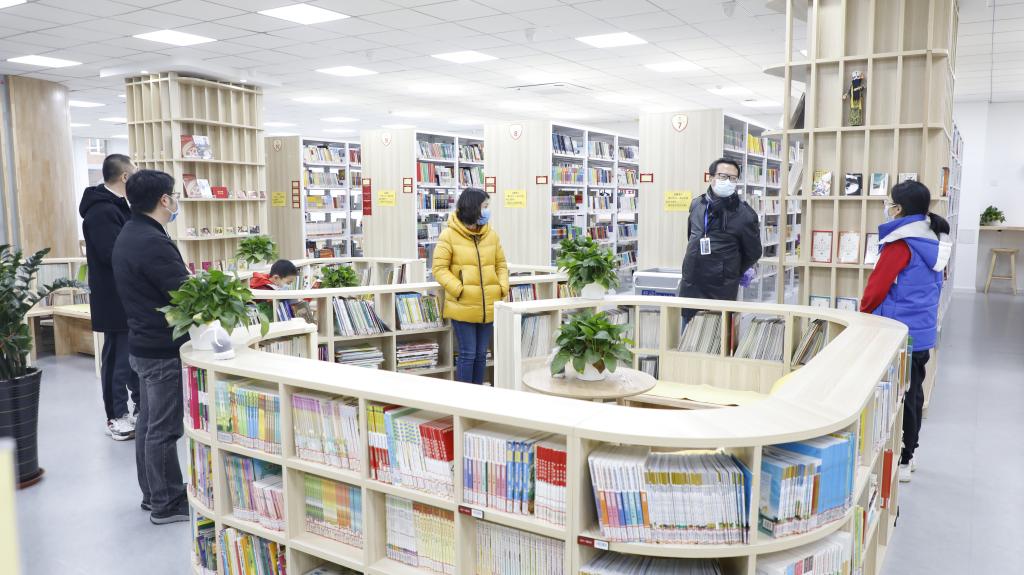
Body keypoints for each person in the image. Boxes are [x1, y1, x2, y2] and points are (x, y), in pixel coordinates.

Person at [112, 169, 192, 524]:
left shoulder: (130, 232)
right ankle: (166, 502)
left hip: (142, 343)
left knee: (148, 424)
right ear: (164, 199)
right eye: (173, 195)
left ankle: (154, 493)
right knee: (164, 428)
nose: (175, 201)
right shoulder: (152, 241)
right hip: (161, 347)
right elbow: (183, 293)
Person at [860, 180, 951, 484]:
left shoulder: (901, 243)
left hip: (898, 331)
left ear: (898, 209)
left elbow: (877, 287)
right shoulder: (933, 238)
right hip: (922, 331)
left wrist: (863, 313)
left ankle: (901, 458)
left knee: (898, 397)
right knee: (913, 394)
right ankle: (909, 455)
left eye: (890, 203)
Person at [79, 153, 139, 441]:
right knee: (117, 359)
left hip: (129, 295)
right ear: (125, 176)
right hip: (113, 297)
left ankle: (139, 409)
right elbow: (112, 254)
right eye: (134, 174)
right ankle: (116, 416)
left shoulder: (121, 206)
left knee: (133, 358)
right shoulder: (101, 211)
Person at [432, 188, 509, 384]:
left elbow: (501, 265)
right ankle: (464, 398)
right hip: (463, 305)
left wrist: (502, 287)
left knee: (482, 354)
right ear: (473, 207)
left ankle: (479, 396)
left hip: (488, 304)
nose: (487, 211)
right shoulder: (449, 235)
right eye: (484, 206)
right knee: (468, 354)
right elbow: (439, 268)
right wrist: (459, 290)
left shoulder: (491, 235)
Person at [677, 158, 762, 305]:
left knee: (718, 320)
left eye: (733, 178)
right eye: (723, 176)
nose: (728, 181)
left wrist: (731, 271)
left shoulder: (745, 215)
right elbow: (691, 235)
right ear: (711, 178)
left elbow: (753, 253)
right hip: (691, 280)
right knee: (688, 319)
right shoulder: (697, 204)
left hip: (721, 287)